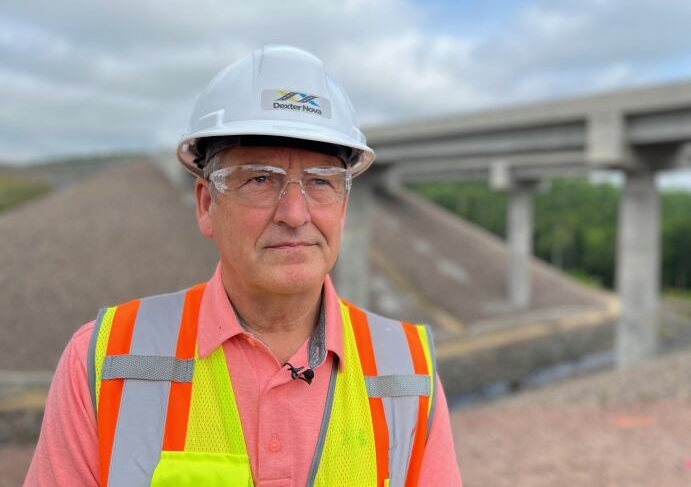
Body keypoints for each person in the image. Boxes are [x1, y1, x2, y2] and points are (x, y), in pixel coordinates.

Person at [24, 44, 462, 486]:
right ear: (205, 205)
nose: (295, 213)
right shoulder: (105, 359)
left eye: (321, 182)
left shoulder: (409, 371)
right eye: (259, 178)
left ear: (344, 206)